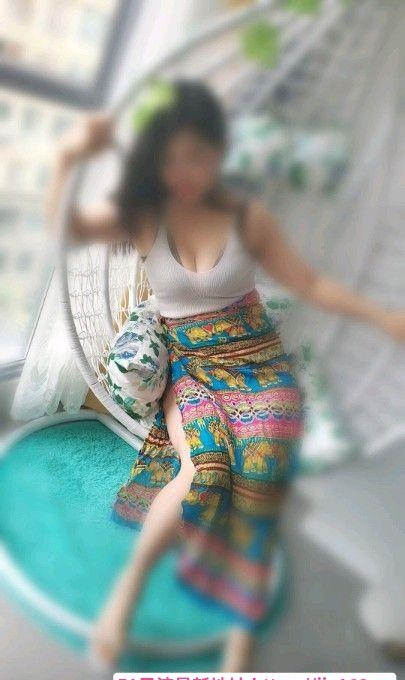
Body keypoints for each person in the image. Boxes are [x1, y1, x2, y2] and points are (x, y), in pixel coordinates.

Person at [47, 78, 405, 672]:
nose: (184, 172)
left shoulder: (249, 217)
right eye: (171, 159)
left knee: (259, 479)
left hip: (259, 364)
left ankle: (241, 632)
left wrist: (382, 316)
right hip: (193, 370)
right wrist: (68, 158)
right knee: (205, 469)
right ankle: (124, 598)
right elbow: (70, 230)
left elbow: (311, 283)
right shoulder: (147, 218)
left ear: (218, 154)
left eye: (197, 155)